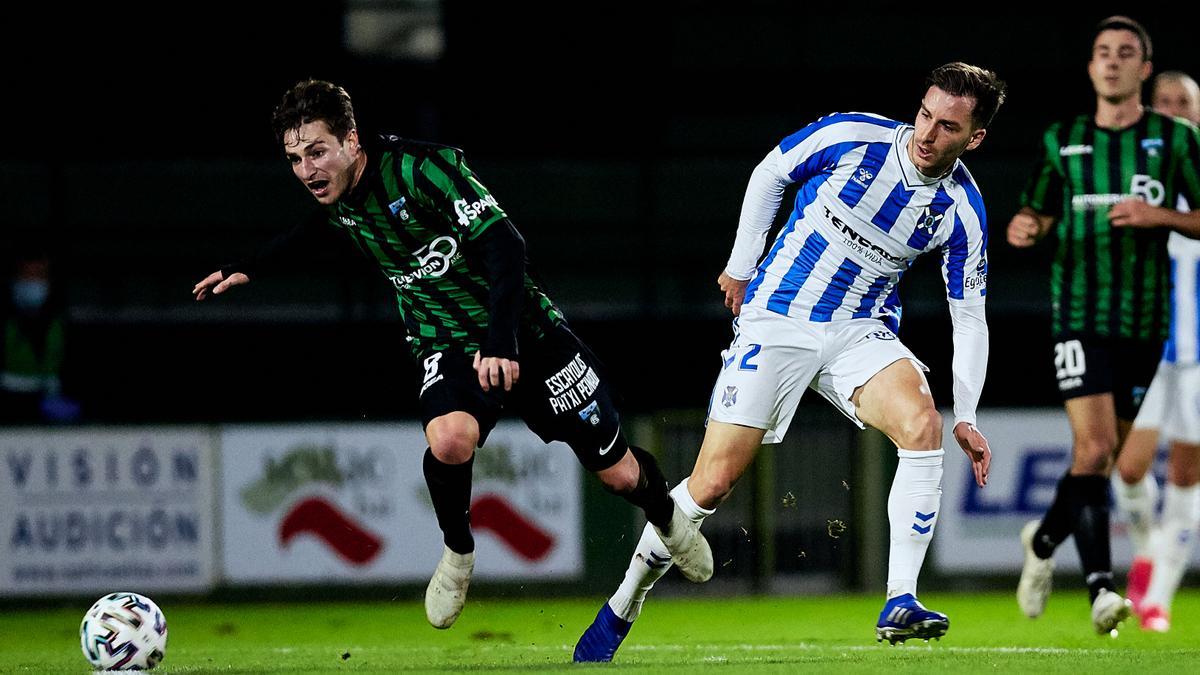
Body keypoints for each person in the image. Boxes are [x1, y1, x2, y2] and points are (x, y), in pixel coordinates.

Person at [192, 79, 710, 630]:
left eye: (316, 152)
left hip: (524, 333)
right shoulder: (340, 202)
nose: (306, 170)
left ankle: (668, 519)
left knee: (620, 475)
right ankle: (458, 553)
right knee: (449, 437)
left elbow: (505, 244)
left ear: (351, 140)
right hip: (444, 343)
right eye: (294, 159)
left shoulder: (422, 170)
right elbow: (310, 232)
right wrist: (248, 264)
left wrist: (501, 340)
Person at [573, 62, 1003, 662]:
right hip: (778, 315)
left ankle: (899, 599)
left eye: (948, 126)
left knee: (923, 425)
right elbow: (770, 172)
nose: (927, 134)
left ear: (974, 138)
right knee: (710, 485)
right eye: (925, 114)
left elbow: (969, 315)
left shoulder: (962, 211)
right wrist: (741, 264)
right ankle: (624, 603)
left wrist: (970, 414)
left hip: (862, 330)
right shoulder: (852, 137)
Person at [1008, 17, 1200, 635]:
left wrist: (1160, 214)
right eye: (1101, 53)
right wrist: (1025, 228)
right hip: (1078, 315)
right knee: (1092, 450)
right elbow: (1034, 213)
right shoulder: (1061, 139)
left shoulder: (1173, 140)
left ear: (1144, 69)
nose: (1111, 62)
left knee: (1103, 457)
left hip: (1146, 325)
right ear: (1090, 67)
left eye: (1125, 54)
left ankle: (1040, 543)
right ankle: (1100, 590)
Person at [1110, 70, 1200, 633]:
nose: (1171, 111)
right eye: (1162, 102)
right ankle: (1146, 555)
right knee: (1128, 468)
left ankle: (1157, 600)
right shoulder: (1137, 175)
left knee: (1188, 475)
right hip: (1146, 344)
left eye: (1183, 103)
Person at [0, 251, 80, 424]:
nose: (32, 282)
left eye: (38, 276)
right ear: (15, 280)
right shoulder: (6, 319)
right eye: (27, 276)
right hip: (7, 402)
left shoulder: (60, 322)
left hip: (47, 403)